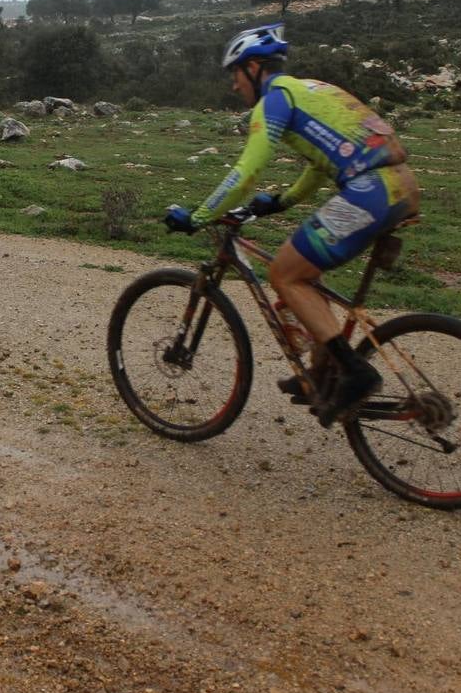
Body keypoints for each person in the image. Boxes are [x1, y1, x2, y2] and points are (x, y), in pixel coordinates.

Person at [164, 23, 420, 425]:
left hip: (370, 190)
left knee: (286, 274)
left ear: (252, 68)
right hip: (399, 185)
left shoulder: (274, 101)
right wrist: (281, 202)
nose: (233, 86)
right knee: (308, 275)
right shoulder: (308, 89)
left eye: (234, 74)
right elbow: (320, 164)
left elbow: (246, 172)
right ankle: (317, 378)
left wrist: (198, 216)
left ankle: (355, 372)